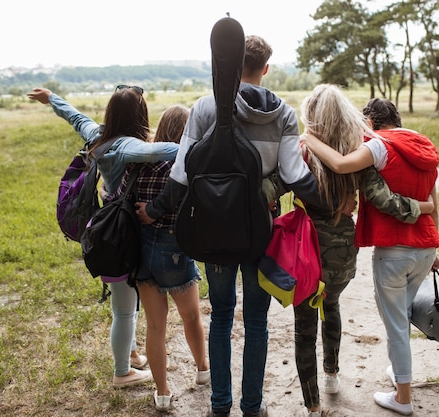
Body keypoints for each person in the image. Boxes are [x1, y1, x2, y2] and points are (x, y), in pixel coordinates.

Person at [136, 35, 326, 417]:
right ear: (265, 69)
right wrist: (329, 203)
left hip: (213, 232)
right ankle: (252, 407)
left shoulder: (206, 109)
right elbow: (295, 173)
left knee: (222, 315)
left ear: (228, 65)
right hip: (261, 232)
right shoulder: (284, 114)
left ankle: (220, 405)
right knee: (256, 320)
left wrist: (153, 211)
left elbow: (181, 176)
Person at [27, 86, 178, 388]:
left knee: (128, 301)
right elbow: (160, 151)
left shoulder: (97, 135)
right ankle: (122, 372)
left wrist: (51, 99)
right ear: (139, 115)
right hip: (120, 232)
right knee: (123, 309)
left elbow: (74, 116)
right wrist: (200, 144)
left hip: (108, 226)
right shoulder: (125, 147)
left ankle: (132, 352)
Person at [296, 85, 433, 417]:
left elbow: (277, 186)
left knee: (304, 321)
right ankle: (331, 375)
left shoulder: (300, 151)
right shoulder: (357, 153)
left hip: (306, 246)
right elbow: (385, 200)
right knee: (331, 305)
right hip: (343, 249)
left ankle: (312, 404)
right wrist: (422, 207)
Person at [114, 105, 210, 411]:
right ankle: (203, 370)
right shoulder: (184, 166)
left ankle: (163, 392)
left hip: (142, 252)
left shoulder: (137, 165)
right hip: (175, 251)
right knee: (191, 316)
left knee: (155, 326)